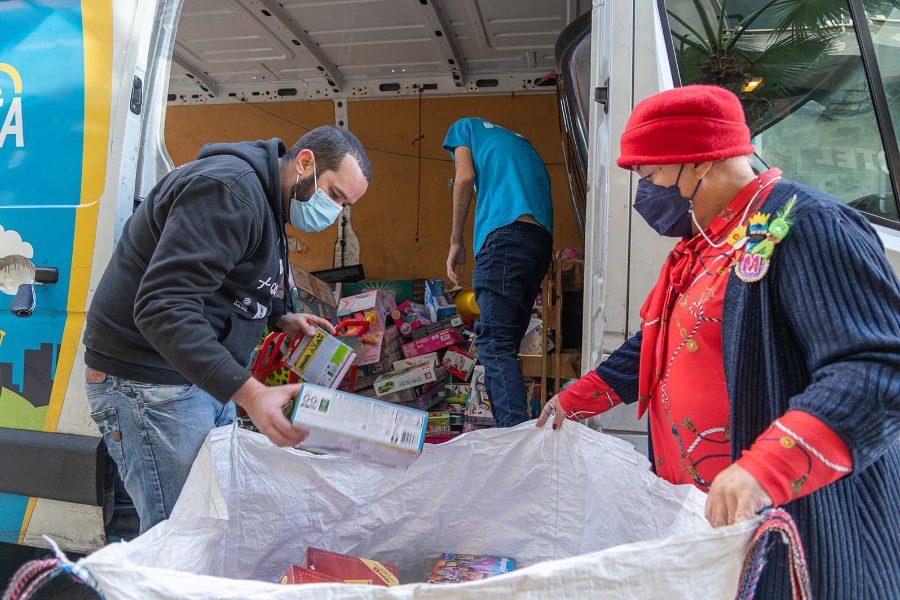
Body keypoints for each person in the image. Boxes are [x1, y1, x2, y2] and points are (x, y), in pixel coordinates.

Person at [537, 85, 900, 597]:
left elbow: (875, 367)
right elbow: (666, 339)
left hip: (789, 510)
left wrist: (768, 466)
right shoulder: (707, 243)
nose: (648, 193)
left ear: (699, 162)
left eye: (652, 176)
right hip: (710, 516)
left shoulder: (807, 223)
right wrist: (575, 399)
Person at [83, 126, 371, 532]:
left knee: (213, 523)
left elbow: (230, 275)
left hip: (199, 379)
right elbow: (162, 308)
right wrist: (253, 394)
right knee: (184, 536)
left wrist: (279, 317)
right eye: (336, 194)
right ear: (305, 163)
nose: (335, 211)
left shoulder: (269, 201)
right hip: (151, 382)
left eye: (345, 204)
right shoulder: (229, 192)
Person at [442, 118, 553, 427]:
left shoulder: (464, 128)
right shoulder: (522, 142)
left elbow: (464, 178)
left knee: (494, 345)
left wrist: (456, 241)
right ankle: (518, 431)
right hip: (538, 243)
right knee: (506, 346)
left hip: (505, 239)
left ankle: (514, 439)